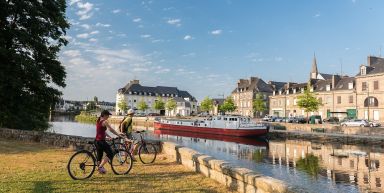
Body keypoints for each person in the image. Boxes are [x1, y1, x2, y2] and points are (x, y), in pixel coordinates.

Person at [95, 110, 125, 174]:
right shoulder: (104, 122)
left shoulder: (98, 121)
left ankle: (100, 169)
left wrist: (108, 136)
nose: (108, 116)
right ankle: (100, 167)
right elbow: (111, 129)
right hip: (101, 141)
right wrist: (119, 135)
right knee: (110, 154)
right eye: (108, 115)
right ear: (105, 115)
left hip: (97, 141)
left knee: (99, 156)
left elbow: (102, 131)